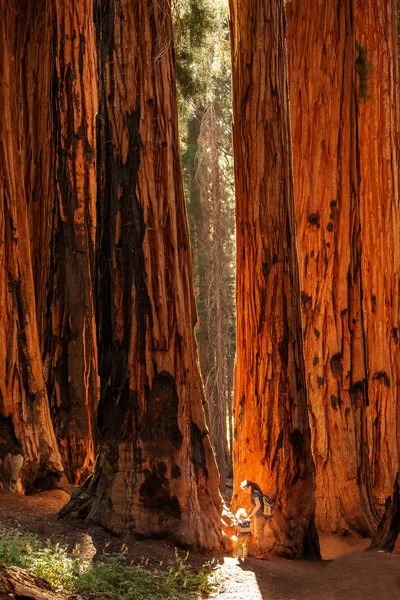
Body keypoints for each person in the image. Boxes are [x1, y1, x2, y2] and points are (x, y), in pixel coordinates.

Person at [240, 479, 268, 559]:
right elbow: (255, 505)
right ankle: (261, 552)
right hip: (260, 517)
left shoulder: (255, 494)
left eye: (245, 489)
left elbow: (258, 505)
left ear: (249, 487)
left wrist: (251, 515)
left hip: (260, 517)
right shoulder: (256, 493)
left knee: (260, 535)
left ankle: (265, 553)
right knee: (257, 534)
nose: (245, 491)